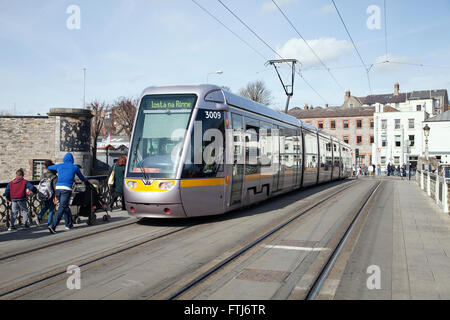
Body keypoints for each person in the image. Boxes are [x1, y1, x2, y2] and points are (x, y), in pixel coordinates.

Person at [47, 153, 88, 234]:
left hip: (58, 188)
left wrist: (54, 166)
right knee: (62, 207)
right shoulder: (74, 167)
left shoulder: (59, 165)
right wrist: (86, 180)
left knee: (65, 206)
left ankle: (69, 224)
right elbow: (81, 177)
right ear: (72, 159)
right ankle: (53, 226)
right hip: (66, 189)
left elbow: (49, 167)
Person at [36, 160, 58, 226]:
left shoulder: (43, 175)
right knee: (51, 208)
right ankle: (49, 223)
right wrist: (56, 196)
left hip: (43, 193)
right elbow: (55, 187)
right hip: (51, 194)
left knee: (46, 206)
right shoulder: (54, 177)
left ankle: (39, 216)